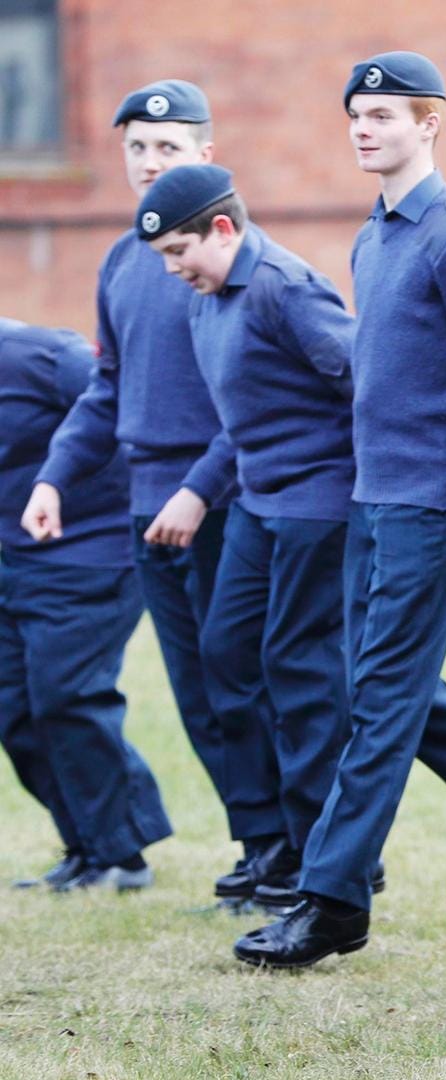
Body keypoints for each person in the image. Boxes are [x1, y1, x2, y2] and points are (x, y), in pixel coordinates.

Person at [233, 51, 446, 970]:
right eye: (355, 114)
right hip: (372, 495)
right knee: (378, 686)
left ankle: (332, 901)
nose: (363, 127)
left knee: (379, 702)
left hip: (436, 500)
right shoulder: (374, 234)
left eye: (384, 115)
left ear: (429, 124)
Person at [20, 80, 279, 902]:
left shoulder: (235, 256)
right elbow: (106, 387)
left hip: (227, 503)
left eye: (167, 147)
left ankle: (291, 852)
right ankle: (259, 848)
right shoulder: (123, 258)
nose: (148, 162)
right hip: (146, 509)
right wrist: (56, 477)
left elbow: (259, 400)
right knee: (201, 696)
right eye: (136, 148)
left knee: (249, 687)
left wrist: (201, 489)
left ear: (207, 155)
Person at [138, 164, 366, 910]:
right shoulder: (210, 301)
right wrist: (199, 494)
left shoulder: (283, 287)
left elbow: (363, 385)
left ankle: (316, 856)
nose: (175, 270)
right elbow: (242, 422)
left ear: (224, 230)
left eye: (180, 251)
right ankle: (264, 840)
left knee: (299, 674)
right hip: (258, 503)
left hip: (315, 507)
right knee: (226, 653)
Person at [2, 318, 169, 893]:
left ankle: (122, 853)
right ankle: (86, 845)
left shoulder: (44, 356)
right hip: (12, 561)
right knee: (15, 710)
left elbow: (124, 411)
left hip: (93, 554)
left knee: (67, 695)